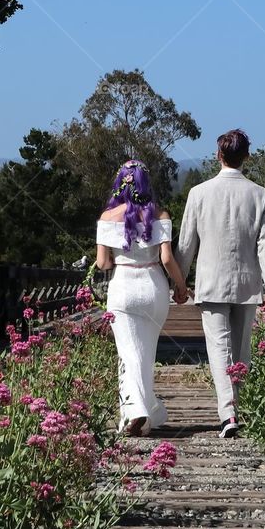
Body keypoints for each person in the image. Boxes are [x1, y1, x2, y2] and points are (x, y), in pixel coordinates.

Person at [176, 129, 265, 438]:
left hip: (211, 282)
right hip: (248, 284)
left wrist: (179, 284)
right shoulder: (260, 194)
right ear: (246, 156)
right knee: (241, 348)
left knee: (219, 349)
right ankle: (238, 406)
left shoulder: (198, 193)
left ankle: (228, 414)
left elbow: (186, 245)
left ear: (218, 155)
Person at [96, 159, 188, 436]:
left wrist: (116, 257)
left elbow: (102, 264)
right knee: (145, 353)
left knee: (128, 352)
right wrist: (181, 285)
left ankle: (135, 411)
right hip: (153, 287)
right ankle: (143, 412)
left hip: (123, 286)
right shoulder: (160, 215)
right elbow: (167, 258)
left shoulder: (107, 218)